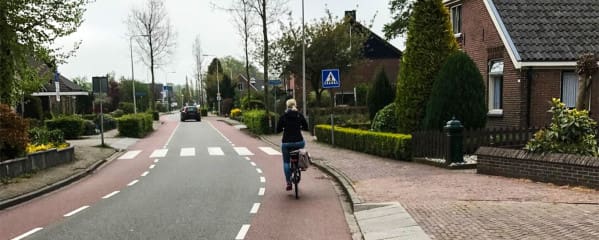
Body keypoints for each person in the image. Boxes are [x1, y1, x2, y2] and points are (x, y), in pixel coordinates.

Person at [276, 98, 308, 191]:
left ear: (287, 106)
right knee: (301, 150)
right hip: (299, 142)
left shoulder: (284, 116)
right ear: (295, 105)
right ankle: (300, 165)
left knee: (286, 162)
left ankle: (289, 183)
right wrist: (301, 127)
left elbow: (277, 129)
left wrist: (282, 129)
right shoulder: (299, 115)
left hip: (286, 143)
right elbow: (306, 127)